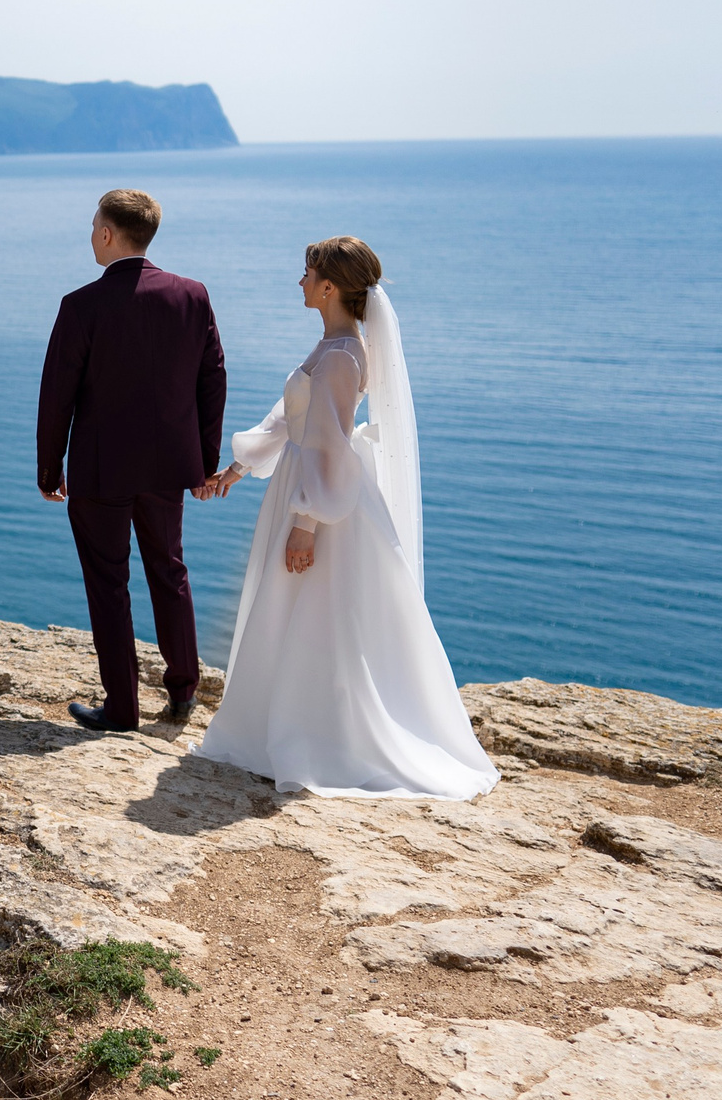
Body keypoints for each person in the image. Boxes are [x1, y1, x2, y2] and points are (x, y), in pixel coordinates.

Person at [192, 237, 496, 798]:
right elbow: (290, 419)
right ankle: (290, 725)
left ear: (329, 286)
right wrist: (238, 467)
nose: (300, 282)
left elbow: (328, 444)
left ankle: (315, 736)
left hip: (321, 498)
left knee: (316, 611)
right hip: (306, 485)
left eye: (307, 274)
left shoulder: (340, 355)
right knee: (302, 612)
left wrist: (306, 523)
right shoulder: (334, 346)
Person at [35, 189, 228, 733]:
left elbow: (57, 395)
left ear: (106, 233)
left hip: (101, 471)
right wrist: (203, 461)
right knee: (170, 571)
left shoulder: (81, 305)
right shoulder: (192, 295)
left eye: (93, 226)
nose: (91, 235)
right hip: (169, 467)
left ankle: (122, 710)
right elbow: (213, 379)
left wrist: (50, 468)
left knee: (108, 585)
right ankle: (183, 693)